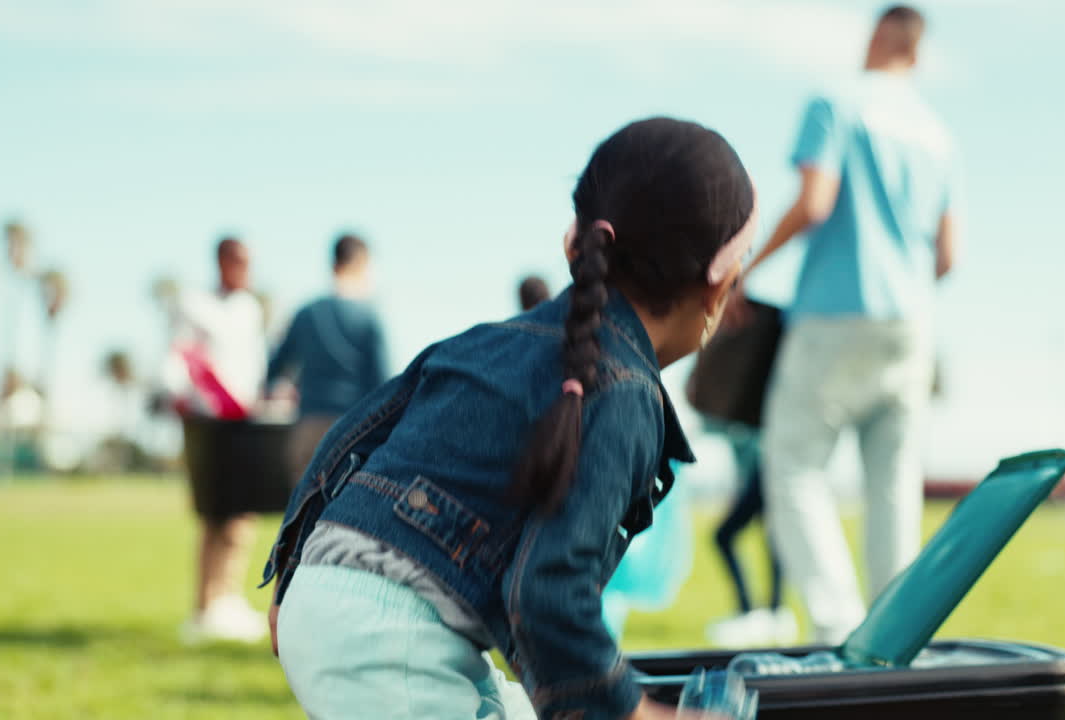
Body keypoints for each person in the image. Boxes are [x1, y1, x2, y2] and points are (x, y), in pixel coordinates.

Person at [263, 117, 757, 720]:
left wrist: (293, 570)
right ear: (718, 283)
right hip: (391, 633)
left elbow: (354, 435)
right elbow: (549, 593)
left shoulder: (488, 340)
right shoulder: (625, 394)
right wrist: (636, 714)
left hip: (336, 595)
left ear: (575, 241)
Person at [752, 5, 958, 645]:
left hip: (834, 313)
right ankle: (894, 642)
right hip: (910, 323)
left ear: (877, 38)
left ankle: (839, 631)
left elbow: (814, 202)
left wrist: (743, 270)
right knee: (894, 487)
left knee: (793, 465)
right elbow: (948, 257)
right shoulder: (937, 134)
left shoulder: (836, 102)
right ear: (916, 53)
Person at [163, 236, 269, 643]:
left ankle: (229, 599)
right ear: (223, 261)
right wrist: (182, 397)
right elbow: (178, 357)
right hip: (209, 423)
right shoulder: (195, 304)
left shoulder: (249, 309)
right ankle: (204, 606)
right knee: (214, 514)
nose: (247, 270)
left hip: (246, 422)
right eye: (241, 261)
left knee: (242, 516)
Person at [266, 233, 389, 481]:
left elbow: (275, 369)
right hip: (354, 430)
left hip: (309, 427)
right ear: (362, 263)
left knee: (304, 503)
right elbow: (382, 385)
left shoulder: (306, 312)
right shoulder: (369, 317)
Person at [704, 426, 793, 647]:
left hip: (765, 470)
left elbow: (753, 447)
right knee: (772, 539)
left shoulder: (737, 418)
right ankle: (774, 613)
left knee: (724, 536)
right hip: (764, 470)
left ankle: (756, 612)